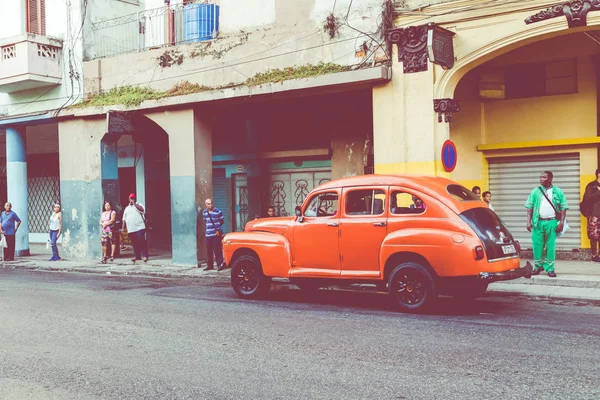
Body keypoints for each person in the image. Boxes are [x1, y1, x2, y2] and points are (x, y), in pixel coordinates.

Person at [525, 171, 568, 278]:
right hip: (537, 222)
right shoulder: (535, 191)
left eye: (544, 177)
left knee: (550, 246)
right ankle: (538, 266)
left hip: (552, 222)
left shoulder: (558, 191)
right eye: (540, 177)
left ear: (550, 179)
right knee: (537, 245)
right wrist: (528, 221)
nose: (541, 179)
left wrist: (561, 222)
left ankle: (550, 268)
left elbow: (563, 207)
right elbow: (529, 207)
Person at [122, 193, 148, 263]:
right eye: (130, 198)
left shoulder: (139, 205)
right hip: (131, 228)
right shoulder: (127, 208)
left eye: (133, 198)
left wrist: (134, 204)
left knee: (141, 241)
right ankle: (137, 256)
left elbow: (142, 210)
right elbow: (124, 218)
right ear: (128, 199)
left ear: (135, 199)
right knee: (134, 243)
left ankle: (145, 256)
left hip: (140, 227)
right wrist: (123, 228)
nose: (131, 200)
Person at [581, 168, 600, 262]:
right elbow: (587, 200)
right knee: (594, 235)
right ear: (599, 174)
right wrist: (598, 192)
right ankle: (594, 256)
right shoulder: (591, 186)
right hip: (594, 214)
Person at [202, 198, 225, 271]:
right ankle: (210, 266)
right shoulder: (205, 212)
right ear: (206, 205)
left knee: (217, 250)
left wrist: (217, 228)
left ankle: (220, 265)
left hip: (216, 234)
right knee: (209, 251)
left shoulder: (218, 211)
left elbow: (222, 221)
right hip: (208, 234)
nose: (210, 205)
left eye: (211, 203)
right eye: (208, 204)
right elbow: (205, 220)